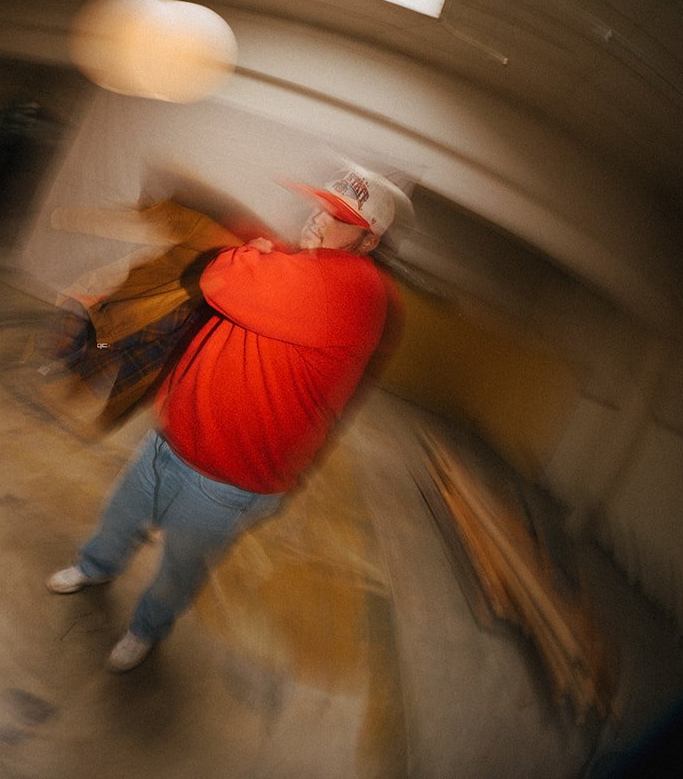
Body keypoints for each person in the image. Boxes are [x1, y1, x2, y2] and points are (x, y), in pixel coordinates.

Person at [46, 161, 412, 671]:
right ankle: (95, 566)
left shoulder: (354, 292)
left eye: (340, 217)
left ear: (368, 242)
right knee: (122, 513)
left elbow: (222, 277)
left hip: (227, 479)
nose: (317, 219)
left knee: (180, 565)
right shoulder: (302, 266)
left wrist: (250, 256)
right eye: (321, 206)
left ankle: (144, 630)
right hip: (172, 440)